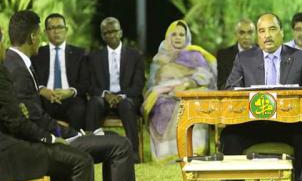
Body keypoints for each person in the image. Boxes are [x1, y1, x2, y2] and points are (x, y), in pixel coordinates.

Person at [4, 10, 139, 181]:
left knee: (111, 138)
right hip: (43, 145)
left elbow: (35, 116)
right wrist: (73, 133)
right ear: (32, 37)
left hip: (43, 138)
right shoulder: (18, 70)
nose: (40, 39)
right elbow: (35, 120)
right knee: (120, 144)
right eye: (39, 34)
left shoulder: (14, 63)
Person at [0, 26, 94, 181]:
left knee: (63, 159)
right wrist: (50, 138)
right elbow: (16, 122)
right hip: (7, 156)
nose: (4, 49)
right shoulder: (3, 72)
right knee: (81, 160)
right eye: (2, 42)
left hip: (9, 145)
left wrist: (17, 110)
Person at [221, 13, 302, 181]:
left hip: (289, 125)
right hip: (253, 125)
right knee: (229, 135)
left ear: (282, 33)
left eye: (272, 29)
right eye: (262, 31)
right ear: (258, 36)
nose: (267, 35)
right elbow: (229, 91)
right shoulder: (244, 59)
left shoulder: (299, 58)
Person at [143, 20, 217, 160]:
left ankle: (196, 151)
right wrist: (166, 89)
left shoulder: (196, 55)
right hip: (164, 95)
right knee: (163, 105)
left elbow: (206, 76)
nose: (178, 37)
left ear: (186, 37)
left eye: (181, 35)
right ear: (168, 36)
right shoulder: (160, 58)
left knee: (194, 105)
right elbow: (152, 85)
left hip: (190, 91)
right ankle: (169, 154)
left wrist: (188, 83)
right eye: (174, 34)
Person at [86, 17, 145, 162]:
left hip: (127, 98)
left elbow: (138, 85)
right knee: (94, 103)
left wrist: (121, 96)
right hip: (103, 99)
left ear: (121, 32)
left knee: (126, 105)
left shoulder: (135, 55)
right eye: (106, 33)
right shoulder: (94, 57)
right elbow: (90, 85)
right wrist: (105, 95)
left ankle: (133, 153)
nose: (111, 35)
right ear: (102, 36)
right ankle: (93, 152)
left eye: (114, 31)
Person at [31, 13, 89, 130]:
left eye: (60, 27)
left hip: (70, 99)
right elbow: (32, 78)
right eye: (51, 28)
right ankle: (42, 145)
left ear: (66, 30)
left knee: (79, 109)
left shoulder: (80, 53)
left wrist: (69, 92)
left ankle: (76, 144)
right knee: (34, 106)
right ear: (46, 32)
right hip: (45, 99)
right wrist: (42, 90)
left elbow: (85, 83)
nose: (56, 31)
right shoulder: (37, 54)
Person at [216, 18, 255, 89]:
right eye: (242, 33)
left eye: (250, 32)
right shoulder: (224, 55)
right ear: (236, 34)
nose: (246, 37)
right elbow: (221, 85)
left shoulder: (263, 53)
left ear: (255, 34)